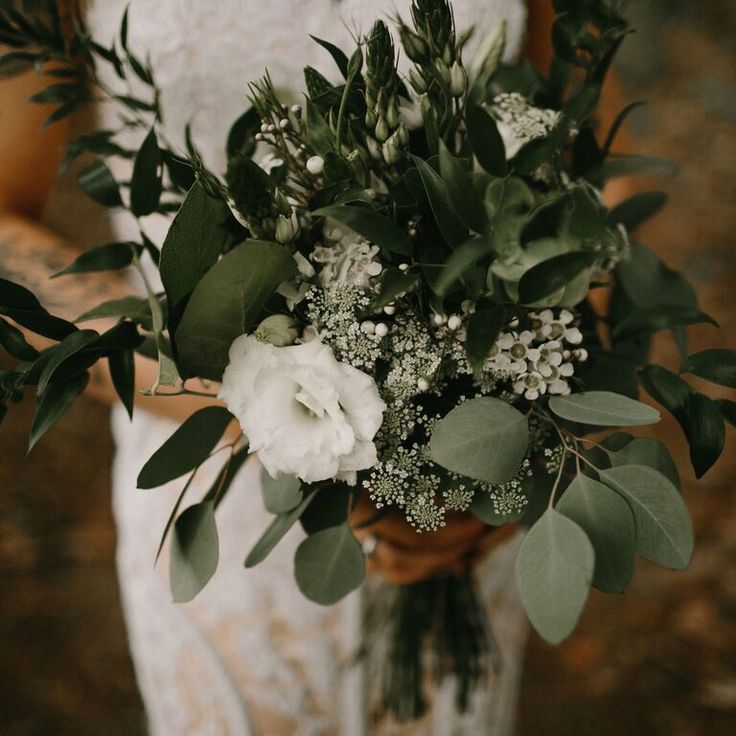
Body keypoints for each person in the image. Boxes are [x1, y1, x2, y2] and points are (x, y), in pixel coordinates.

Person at [0, 1, 626, 733]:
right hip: (216, 460)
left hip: (463, 476)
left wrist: (530, 418)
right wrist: (277, 405)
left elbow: (590, 156)